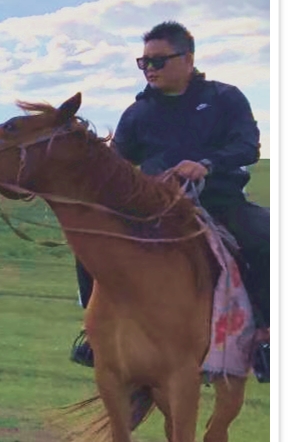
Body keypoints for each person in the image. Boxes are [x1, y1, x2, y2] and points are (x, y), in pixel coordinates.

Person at [70, 21, 269, 382]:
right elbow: (117, 163)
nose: (149, 69)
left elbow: (247, 147)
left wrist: (206, 163)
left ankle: (268, 335)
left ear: (188, 59)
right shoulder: (137, 113)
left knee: (266, 239)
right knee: (91, 242)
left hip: (219, 201)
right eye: (143, 62)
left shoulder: (225, 98)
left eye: (158, 61)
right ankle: (94, 332)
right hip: (154, 208)